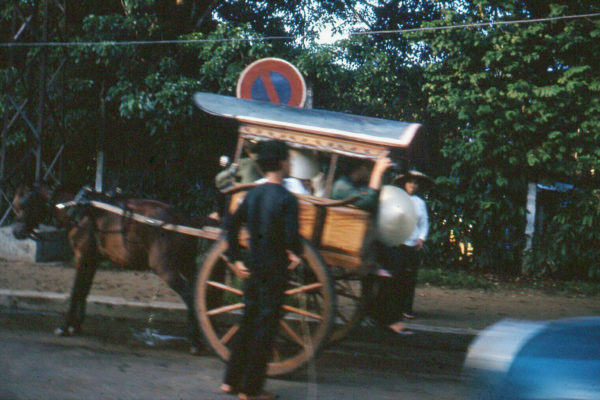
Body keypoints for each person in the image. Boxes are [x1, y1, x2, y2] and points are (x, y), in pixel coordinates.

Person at [220, 140, 302, 400]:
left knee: (247, 322)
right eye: (288, 159)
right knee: (265, 329)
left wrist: (236, 258)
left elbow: (230, 225)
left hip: (253, 266)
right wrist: (296, 254)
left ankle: (231, 381)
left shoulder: (252, 194)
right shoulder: (287, 199)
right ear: (280, 163)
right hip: (275, 270)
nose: (290, 163)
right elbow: (291, 238)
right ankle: (251, 390)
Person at [391, 170, 430, 320]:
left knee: (410, 277)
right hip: (398, 242)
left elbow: (424, 223)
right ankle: (394, 307)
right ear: (404, 184)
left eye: (415, 183)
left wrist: (421, 238)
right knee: (396, 275)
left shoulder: (421, 203)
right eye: (410, 182)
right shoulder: (396, 199)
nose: (412, 185)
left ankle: (407, 308)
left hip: (413, 243)